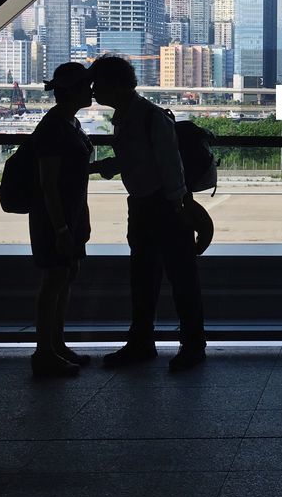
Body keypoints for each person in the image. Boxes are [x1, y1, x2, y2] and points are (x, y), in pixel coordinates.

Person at [88, 55, 206, 372]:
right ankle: (152, 342)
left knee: (176, 278)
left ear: (116, 85)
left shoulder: (151, 118)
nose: (94, 90)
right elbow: (144, 160)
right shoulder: (130, 117)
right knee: (146, 278)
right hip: (145, 205)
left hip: (164, 206)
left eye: (98, 84)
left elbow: (171, 166)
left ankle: (187, 345)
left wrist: (179, 206)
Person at [30, 62, 94, 378]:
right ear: (72, 92)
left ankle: (56, 345)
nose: (91, 91)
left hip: (71, 216)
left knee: (65, 277)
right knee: (54, 280)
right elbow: (48, 183)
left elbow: (72, 172)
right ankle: (44, 352)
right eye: (85, 86)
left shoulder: (69, 123)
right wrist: (60, 228)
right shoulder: (54, 128)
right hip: (54, 220)